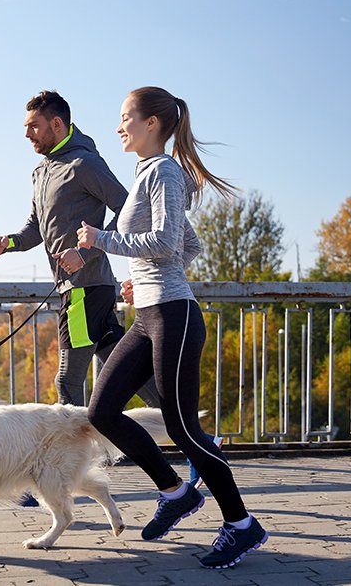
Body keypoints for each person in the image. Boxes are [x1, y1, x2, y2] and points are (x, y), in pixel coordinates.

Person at [75, 86, 268, 569]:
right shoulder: (148, 173)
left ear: (153, 124)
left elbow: (164, 239)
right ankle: (175, 491)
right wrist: (142, 281)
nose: (119, 126)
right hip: (150, 314)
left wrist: (102, 239)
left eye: (125, 118)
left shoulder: (164, 170)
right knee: (102, 410)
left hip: (174, 316)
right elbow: (189, 244)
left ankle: (242, 525)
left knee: (183, 428)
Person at [0, 90, 159, 409]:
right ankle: (197, 437)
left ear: (56, 123)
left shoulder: (84, 163)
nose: (27, 134)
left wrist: (85, 251)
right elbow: (36, 227)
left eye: (34, 126)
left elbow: (127, 209)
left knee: (67, 381)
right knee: (130, 374)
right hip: (84, 289)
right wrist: (7, 243)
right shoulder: (41, 173)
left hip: (84, 288)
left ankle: (80, 459)